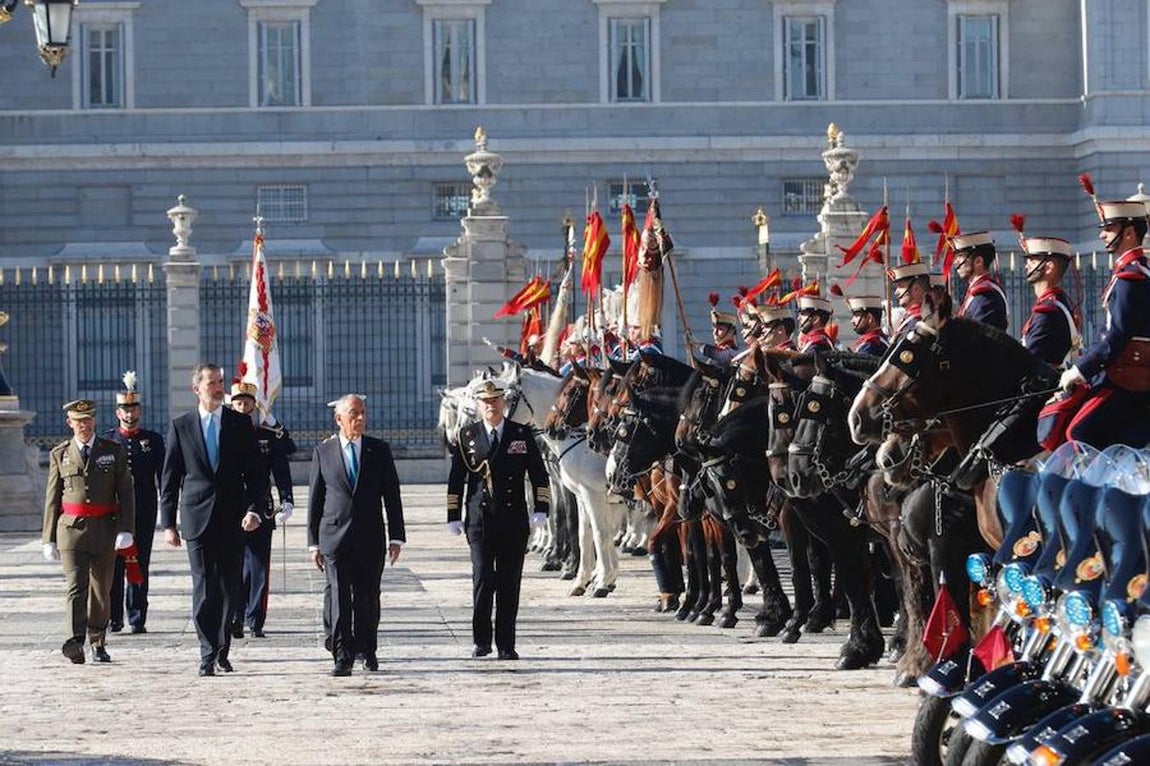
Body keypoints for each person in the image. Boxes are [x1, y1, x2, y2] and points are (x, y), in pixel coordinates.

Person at [160, 363, 268, 677]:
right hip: (196, 518)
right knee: (203, 588)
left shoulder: (239, 423)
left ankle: (222, 648)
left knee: (229, 587)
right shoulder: (181, 426)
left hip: (233, 518)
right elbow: (170, 479)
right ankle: (207, 654)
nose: (219, 387)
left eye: (221, 382)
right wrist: (168, 524)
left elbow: (256, 474)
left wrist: (253, 509)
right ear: (197, 388)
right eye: (212, 383)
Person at [447, 380, 549, 660]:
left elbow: (539, 474)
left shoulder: (521, 433)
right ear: (479, 406)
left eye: (496, 401)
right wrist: (453, 516)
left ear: (504, 403)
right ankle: (481, 641)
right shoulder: (468, 435)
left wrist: (541, 507)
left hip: (513, 519)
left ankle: (506, 643)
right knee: (482, 579)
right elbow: (457, 479)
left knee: (509, 583)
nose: (491, 406)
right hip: (480, 522)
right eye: (486, 402)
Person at [307, 394, 405, 676]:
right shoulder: (323, 452)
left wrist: (396, 537)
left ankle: (367, 649)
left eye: (362, 413)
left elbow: (392, 496)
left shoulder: (379, 450)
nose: (359, 418)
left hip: (370, 537)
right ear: (339, 419)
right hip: (334, 537)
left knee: (368, 596)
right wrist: (313, 543)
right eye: (353, 414)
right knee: (339, 597)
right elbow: (315, 500)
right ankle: (342, 654)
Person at [42, 399, 136, 664]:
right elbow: (52, 498)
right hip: (71, 531)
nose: (83, 426)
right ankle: (74, 641)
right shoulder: (59, 454)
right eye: (78, 421)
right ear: (69, 423)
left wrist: (126, 529)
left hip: (105, 530)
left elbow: (126, 492)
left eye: (88, 420)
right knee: (75, 587)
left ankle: (98, 641)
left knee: (100, 590)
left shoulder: (112, 451)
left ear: (94, 421)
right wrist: (48, 538)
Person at [1060, 201, 1150, 448]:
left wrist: (1081, 370)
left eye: (1109, 229)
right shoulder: (1133, 273)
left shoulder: (1131, 279)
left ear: (1129, 233)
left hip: (1125, 378)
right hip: (1121, 374)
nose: (1102, 234)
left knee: (1080, 433)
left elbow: (1117, 334)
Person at [227, 380, 296, 639]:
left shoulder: (265, 435)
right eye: (238, 402)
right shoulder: (222, 433)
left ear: (255, 406)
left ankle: (255, 620)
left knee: (258, 566)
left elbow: (283, 462)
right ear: (230, 405)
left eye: (247, 402)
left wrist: (287, 498)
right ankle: (236, 615)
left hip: (261, 506)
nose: (242, 406)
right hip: (231, 506)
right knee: (233, 565)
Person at [104, 371, 164, 635]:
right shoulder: (108, 441)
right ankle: (113, 616)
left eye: (134, 409)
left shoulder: (152, 440)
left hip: (144, 507)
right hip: (113, 509)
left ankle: (137, 616)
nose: (130, 414)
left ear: (139, 410)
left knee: (139, 561)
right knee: (113, 563)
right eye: (125, 410)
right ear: (118, 413)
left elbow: (163, 476)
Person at [1019, 237, 1078, 368]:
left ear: (1049, 267)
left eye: (1033, 260)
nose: (1027, 265)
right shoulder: (1053, 303)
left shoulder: (1048, 312)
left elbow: (1028, 360)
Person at [952, 232, 1009, 331]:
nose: (955, 262)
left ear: (978, 262)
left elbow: (978, 341)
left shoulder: (985, 297)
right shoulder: (976, 293)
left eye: (960, 256)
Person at [887, 261, 931, 340]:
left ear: (916, 289)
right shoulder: (909, 319)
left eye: (901, 286)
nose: (896, 292)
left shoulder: (921, 321)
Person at [695, 293, 741, 366]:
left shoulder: (730, 351)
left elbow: (724, 356)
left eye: (720, 329)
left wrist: (700, 347)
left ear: (731, 331)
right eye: (714, 329)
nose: (715, 333)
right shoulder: (718, 348)